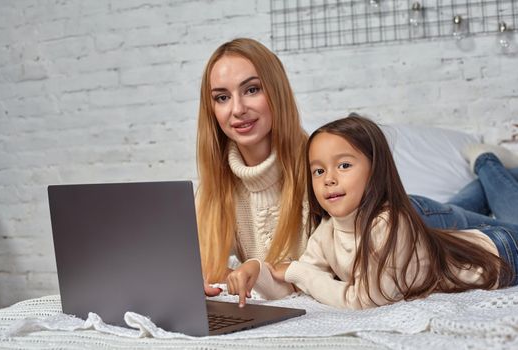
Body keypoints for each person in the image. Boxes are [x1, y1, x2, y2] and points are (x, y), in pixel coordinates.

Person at [252, 114, 518, 309]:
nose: (328, 179)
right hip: (471, 241)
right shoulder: (328, 230)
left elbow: (365, 299)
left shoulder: (388, 223)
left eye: (343, 165)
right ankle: (490, 167)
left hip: (500, 255)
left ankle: (486, 161)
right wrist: (256, 274)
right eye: (318, 171)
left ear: (375, 169)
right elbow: (296, 285)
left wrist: (297, 272)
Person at [196, 38, 311, 302]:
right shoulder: (215, 188)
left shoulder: (319, 172)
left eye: (252, 90)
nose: (237, 109)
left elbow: (330, 275)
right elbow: (207, 268)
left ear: (276, 92)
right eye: (222, 97)